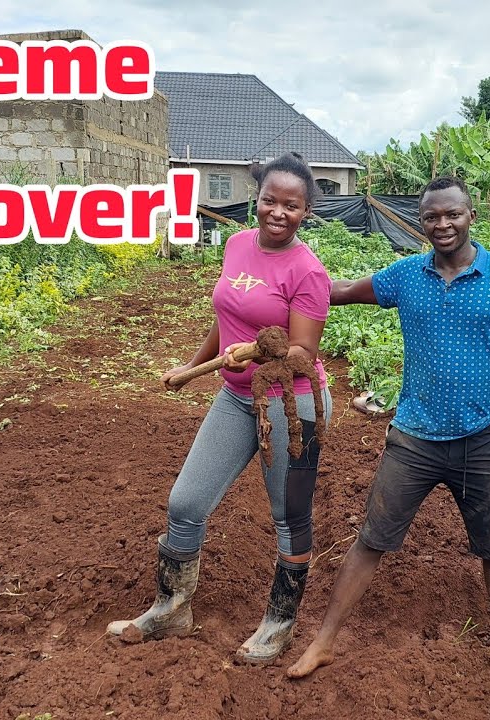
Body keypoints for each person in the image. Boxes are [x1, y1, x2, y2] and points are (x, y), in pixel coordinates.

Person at [286, 176, 490, 679]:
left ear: (471, 216)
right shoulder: (405, 276)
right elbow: (338, 293)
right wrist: (285, 283)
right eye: (432, 217)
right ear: (421, 221)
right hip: (414, 438)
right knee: (372, 539)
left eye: (453, 214)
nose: (442, 224)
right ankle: (323, 641)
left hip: (483, 438)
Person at [107, 152, 333, 664]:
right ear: (257, 200)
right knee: (186, 503)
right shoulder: (235, 245)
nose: (278, 212)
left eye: (291, 205)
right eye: (269, 200)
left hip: (291, 407)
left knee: (287, 515)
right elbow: (226, 314)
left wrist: (254, 350)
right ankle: (172, 608)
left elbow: (302, 354)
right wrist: (191, 367)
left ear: (306, 212)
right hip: (235, 398)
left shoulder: (308, 271)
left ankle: (279, 621)